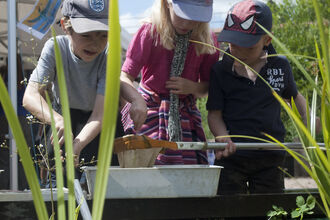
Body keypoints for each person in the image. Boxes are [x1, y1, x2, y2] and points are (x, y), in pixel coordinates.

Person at [207, 0, 311, 194]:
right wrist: (222, 136)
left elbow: (294, 98)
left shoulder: (280, 65)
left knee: (269, 208)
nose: (239, 51)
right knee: (230, 208)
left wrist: (309, 124)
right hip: (233, 156)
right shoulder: (220, 70)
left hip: (270, 156)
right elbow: (214, 114)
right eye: (233, 44)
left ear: (267, 40)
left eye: (249, 46)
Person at [23, 0, 123, 187]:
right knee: (58, 184)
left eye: (103, 35)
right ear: (65, 27)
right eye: (86, 35)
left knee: (100, 190)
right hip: (64, 120)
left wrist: (76, 146)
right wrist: (57, 120)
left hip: (99, 126)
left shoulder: (110, 53)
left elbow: (100, 115)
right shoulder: (55, 47)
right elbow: (30, 96)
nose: (95, 44)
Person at [120, 0, 220, 165]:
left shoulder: (206, 40)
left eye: (194, 17)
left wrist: (192, 87)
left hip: (185, 117)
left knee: (188, 171)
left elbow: (208, 87)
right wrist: (136, 99)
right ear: (167, 4)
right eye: (182, 15)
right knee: (149, 168)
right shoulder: (150, 32)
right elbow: (124, 77)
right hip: (150, 113)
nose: (187, 23)